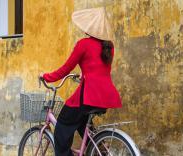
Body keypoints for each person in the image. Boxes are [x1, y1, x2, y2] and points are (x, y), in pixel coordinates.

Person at [40, 7, 122, 156]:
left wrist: (46, 76)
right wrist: (84, 75)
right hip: (106, 95)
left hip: (89, 95)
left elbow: (65, 69)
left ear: (90, 27)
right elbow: (98, 68)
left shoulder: (84, 44)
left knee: (62, 126)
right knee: (82, 123)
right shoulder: (109, 46)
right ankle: (98, 147)